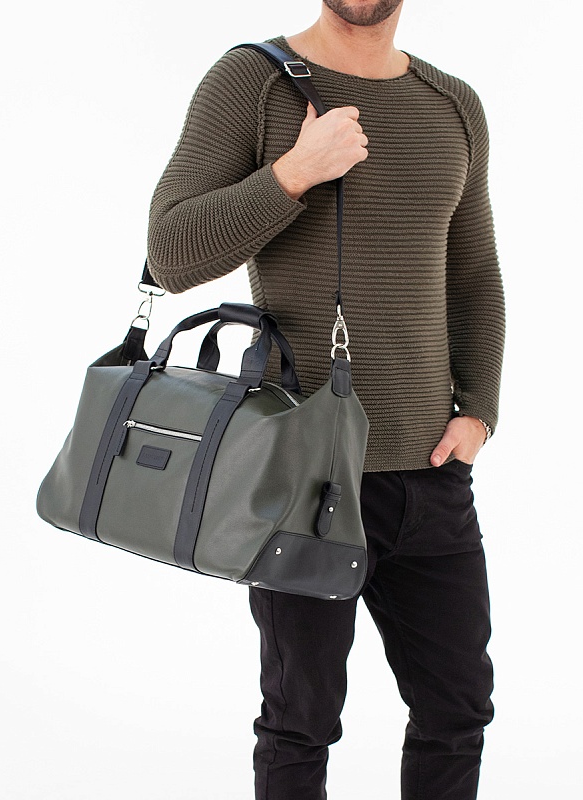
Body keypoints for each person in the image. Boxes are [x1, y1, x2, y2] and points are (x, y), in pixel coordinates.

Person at [146, 1, 506, 797]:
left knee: (458, 710)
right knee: (300, 722)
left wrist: (479, 408)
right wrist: (293, 173)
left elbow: (475, 273)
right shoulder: (253, 81)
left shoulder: (453, 104)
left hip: (432, 472)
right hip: (303, 476)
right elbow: (169, 254)